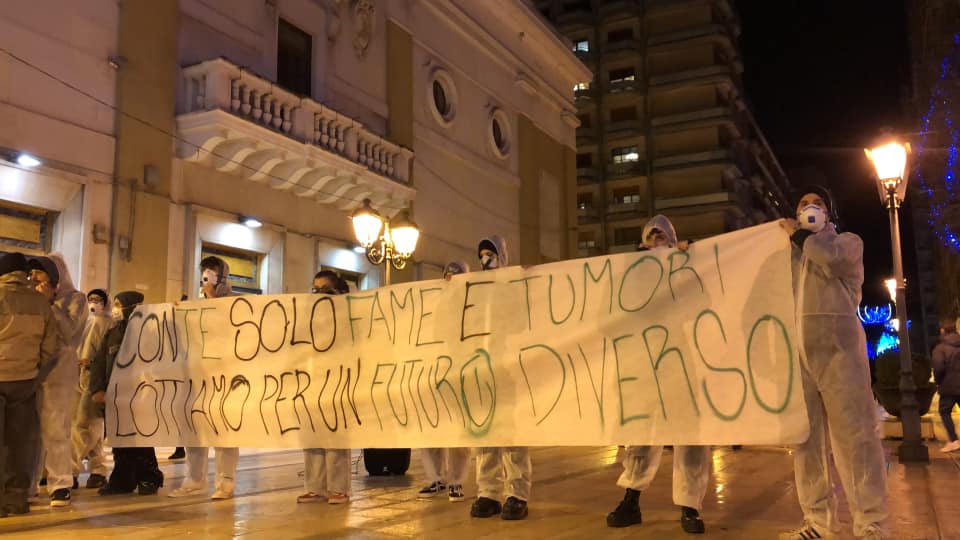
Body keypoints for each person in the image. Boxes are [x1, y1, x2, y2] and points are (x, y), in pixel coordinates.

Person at [779, 186, 887, 540]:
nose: (810, 208)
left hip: (842, 356)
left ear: (830, 213)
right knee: (806, 444)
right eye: (803, 204)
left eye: (818, 204)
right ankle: (818, 523)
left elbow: (830, 260)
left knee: (855, 440)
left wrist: (799, 238)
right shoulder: (788, 252)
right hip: (800, 357)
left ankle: (870, 522)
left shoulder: (847, 243)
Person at [606, 215, 709, 535]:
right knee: (640, 431)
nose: (655, 242)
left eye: (661, 236)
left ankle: (690, 506)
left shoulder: (686, 267)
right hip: (644, 358)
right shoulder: (633, 272)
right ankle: (631, 499)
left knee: (688, 435)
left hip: (679, 358)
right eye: (650, 237)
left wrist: (688, 256)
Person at [169, 256, 240, 500]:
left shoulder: (233, 301)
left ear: (223, 275)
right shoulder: (196, 302)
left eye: (213, 271)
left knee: (224, 430)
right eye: (204, 270)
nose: (207, 274)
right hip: (198, 375)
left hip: (225, 375)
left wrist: (212, 299)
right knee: (194, 428)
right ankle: (195, 478)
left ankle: (226, 481)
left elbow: (230, 328)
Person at [470, 236, 531, 521]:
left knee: (511, 435)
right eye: (482, 255)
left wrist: (532, 281)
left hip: (508, 370)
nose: (485, 260)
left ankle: (517, 493)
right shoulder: (473, 291)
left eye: (490, 254)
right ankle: (488, 492)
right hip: (481, 371)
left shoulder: (514, 288)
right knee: (484, 435)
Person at [0, 252, 60, 516]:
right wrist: (36, 374)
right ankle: (16, 500)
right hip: (24, 381)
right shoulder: (41, 302)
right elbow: (50, 348)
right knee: (20, 443)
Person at [90, 291, 164, 495]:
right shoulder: (114, 331)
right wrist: (97, 388)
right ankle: (123, 478)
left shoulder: (149, 332)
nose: (115, 309)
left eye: (118, 304)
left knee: (140, 440)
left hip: (138, 395)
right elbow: (99, 360)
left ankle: (149, 477)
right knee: (118, 440)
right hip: (114, 396)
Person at [29, 253, 88, 507]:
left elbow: (68, 332)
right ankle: (29, 484)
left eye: (41, 273)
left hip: (60, 371)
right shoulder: (31, 296)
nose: (35, 278)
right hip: (33, 370)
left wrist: (49, 303)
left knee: (56, 428)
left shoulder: (76, 299)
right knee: (31, 431)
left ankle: (60, 483)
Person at [418, 261, 473, 503]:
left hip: (462, 374)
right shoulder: (434, 303)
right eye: (447, 275)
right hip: (435, 371)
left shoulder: (473, 305)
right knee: (431, 429)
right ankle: (436, 478)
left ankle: (456, 481)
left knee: (459, 433)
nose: (450, 279)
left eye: (456, 276)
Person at [297, 271, 353, 505]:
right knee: (312, 435)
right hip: (312, 379)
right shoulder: (309, 317)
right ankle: (315, 487)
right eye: (315, 289)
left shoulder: (348, 315)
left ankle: (339, 487)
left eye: (326, 290)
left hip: (339, 379)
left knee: (335, 435)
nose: (320, 295)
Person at [71, 288, 112, 489]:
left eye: (97, 300)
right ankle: (98, 470)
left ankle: (71, 470)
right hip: (86, 378)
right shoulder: (95, 321)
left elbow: (90, 353)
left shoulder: (99, 322)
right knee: (94, 427)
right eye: (91, 299)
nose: (93, 303)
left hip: (90, 380)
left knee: (83, 426)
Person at [933, 315, 960, 453]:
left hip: (948, 386)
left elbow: (938, 368)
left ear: (942, 330)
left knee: (944, 412)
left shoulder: (941, 348)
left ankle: (954, 440)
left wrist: (938, 382)